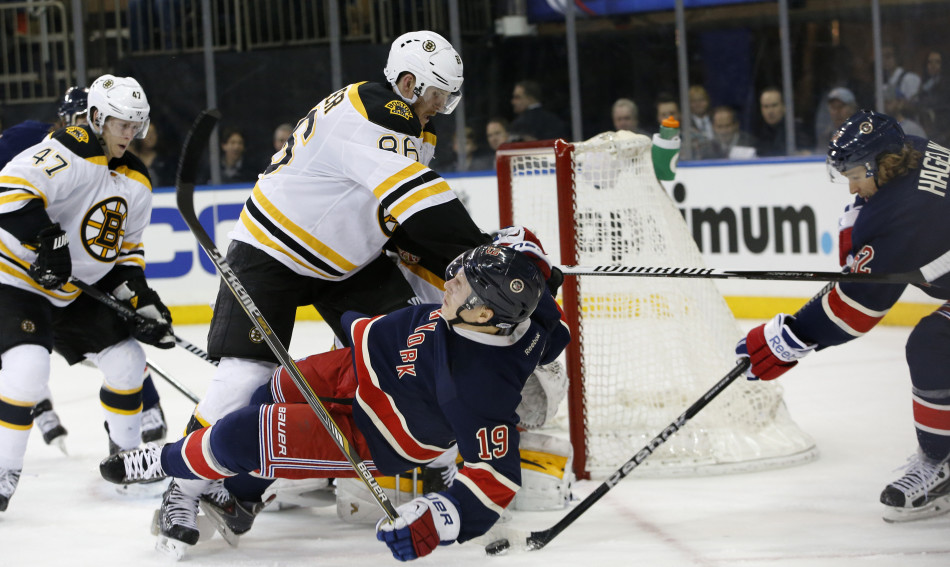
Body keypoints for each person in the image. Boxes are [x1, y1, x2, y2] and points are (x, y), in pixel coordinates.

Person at [147, 30, 491, 555]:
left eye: (448, 98)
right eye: (436, 95)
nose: (441, 107)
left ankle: (439, 464)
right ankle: (185, 485)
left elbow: (400, 216)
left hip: (350, 262)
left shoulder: (411, 126)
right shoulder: (380, 111)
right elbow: (417, 201)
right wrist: (482, 255)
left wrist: (462, 261)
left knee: (412, 351)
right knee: (247, 372)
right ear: (406, 81)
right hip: (272, 251)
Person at [101, 243, 571, 561]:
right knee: (271, 392)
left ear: (485, 314)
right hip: (359, 365)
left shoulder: (477, 387)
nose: (449, 284)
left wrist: (439, 520)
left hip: (372, 431)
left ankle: (165, 462)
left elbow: (495, 480)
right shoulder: (527, 320)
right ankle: (241, 497)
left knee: (241, 435)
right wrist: (535, 264)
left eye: (463, 286)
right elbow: (548, 310)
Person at [736, 109, 950, 523]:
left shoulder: (904, 215)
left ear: (883, 165)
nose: (851, 186)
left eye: (855, 175)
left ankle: (939, 462)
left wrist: (792, 337)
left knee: (932, 344)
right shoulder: (917, 151)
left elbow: (855, 308)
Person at [0, 74, 176, 512]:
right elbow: (8, 190)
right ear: (97, 117)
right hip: (17, 279)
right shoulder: (72, 146)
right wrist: (45, 239)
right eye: (121, 124)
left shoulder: (137, 180)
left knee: (128, 360)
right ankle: (3, 472)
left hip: (74, 293)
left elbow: (126, 254)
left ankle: (126, 462)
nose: (130, 134)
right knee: (27, 367)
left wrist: (143, 301)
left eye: (136, 125)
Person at [754, 86, 813, 157]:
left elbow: (806, 155)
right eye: (766, 106)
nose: (770, 111)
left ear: (784, 106)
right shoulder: (757, 132)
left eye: (774, 105)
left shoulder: (796, 130)